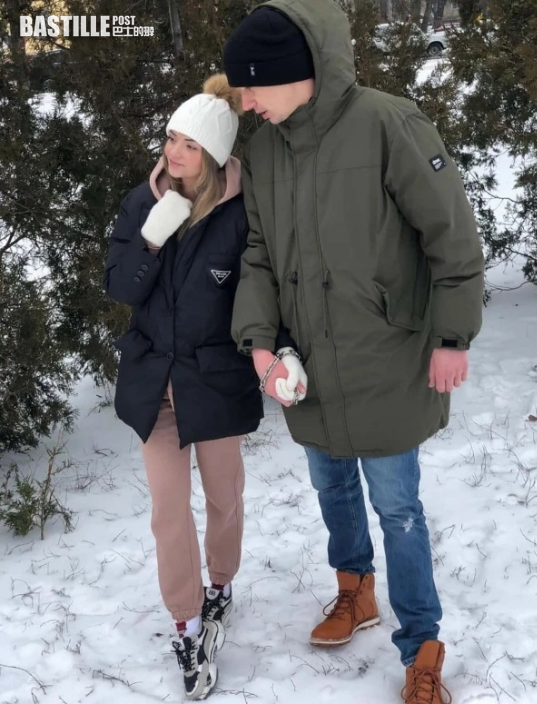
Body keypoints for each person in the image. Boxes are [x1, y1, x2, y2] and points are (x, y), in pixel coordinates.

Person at [223, 2, 485, 702]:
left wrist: (452, 335)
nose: (245, 103)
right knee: (330, 487)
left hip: (386, 357)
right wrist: (258, 343)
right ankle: (355, 590)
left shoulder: (388, 123)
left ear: (294, 72)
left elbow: (450, 235)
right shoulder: (266, 151)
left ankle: (421, 644)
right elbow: (259, 255)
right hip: (307, 364)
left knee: (397, 507)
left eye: (251, 86)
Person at [104, 74, 264, 700]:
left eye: (190, 144)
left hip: (216, 382)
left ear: (214, 155)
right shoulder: (140, 203)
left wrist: (273, 351)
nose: (173, 152)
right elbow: (120, 287)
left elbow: (262, 292)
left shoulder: (242, 213)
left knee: (224, 497)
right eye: (171, 137)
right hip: (155, 385)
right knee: (168, 512)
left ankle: (220, 583)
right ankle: (187, 622)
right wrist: (151, 237)